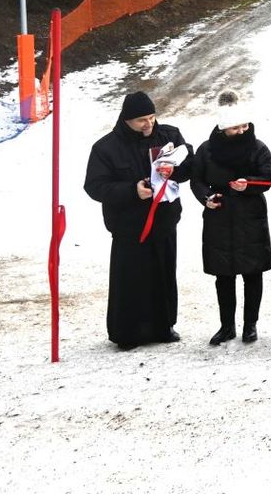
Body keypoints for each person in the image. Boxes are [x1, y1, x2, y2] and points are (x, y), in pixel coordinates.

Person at [84, 91, 193, 349]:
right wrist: (132, 191)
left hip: (164, 223)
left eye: (152, 117)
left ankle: (164, 326)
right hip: (129, 228)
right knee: (130, 280)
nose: (149, 124)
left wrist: (174, 170)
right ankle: (127, 333)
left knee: (164, 276)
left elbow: (190, 166)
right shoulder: (105, 147)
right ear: (126, 120)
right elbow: (95, 186)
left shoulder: (170, 135)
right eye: (142, 119)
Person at [190, 91, 271, 346]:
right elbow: (197, 180)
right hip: (219, 217)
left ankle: (251, 325)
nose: (241, 131)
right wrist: (206, 197)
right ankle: (226, 325)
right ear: (223, 127)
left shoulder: (258, 148)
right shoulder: (206, 150)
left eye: (244, 125)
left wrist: (249, 184)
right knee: (223, 275)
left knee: (253, 273)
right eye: (235, 127)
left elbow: (268, 177)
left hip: (250, 217)